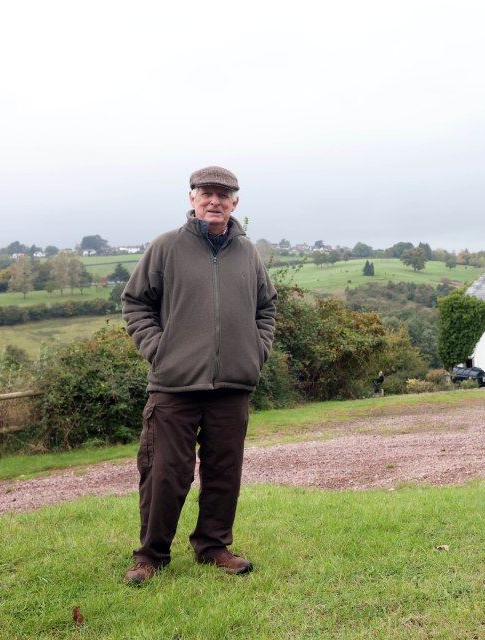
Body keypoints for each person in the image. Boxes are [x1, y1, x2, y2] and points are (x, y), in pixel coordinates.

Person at [121, 166, 277, 585]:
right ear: (191, 198)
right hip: (174, 385)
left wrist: (256, 352)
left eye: (223, 195)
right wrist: (160, 351)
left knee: (225, 471)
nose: (215, 201)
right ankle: (150, 555)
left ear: (235, 203)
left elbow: (267, 308)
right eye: (206, 193)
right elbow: (135, 303)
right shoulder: (166, 247)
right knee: (164, 473)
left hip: (233, 386)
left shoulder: (249, 253)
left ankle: (213, 547)